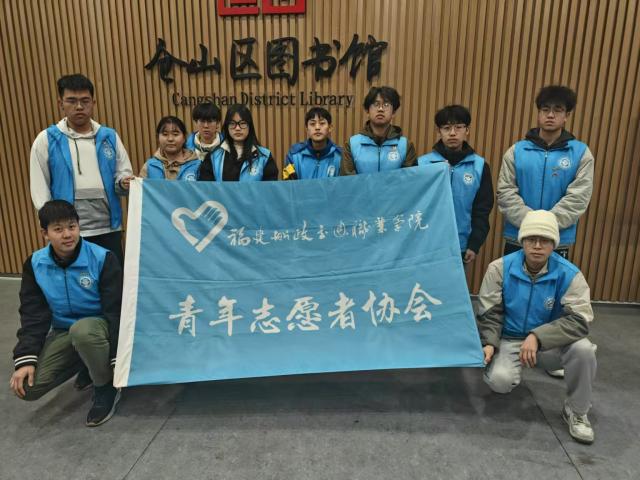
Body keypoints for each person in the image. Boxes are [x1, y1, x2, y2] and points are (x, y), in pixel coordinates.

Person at [476, 210, 597, 444]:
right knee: (499, 381)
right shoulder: (499, 268)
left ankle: (577, 411)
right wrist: (489, 343)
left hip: (549, 344)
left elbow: (580, 320)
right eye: (531, 239)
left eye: (545, 240)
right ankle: (505, 366)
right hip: (510, 340)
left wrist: (538, 336)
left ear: (554, 244)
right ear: (522, 241)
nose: (538, 246)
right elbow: (489, 313)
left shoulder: (570, 274)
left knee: (584, 350)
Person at [10, 200, 123, 427]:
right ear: (45, 233)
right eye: (58, 229)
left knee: (83, 331)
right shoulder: (35, 263)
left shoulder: (102, 258)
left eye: (72, 226)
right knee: (28, 388)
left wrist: (116, 358)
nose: (67, 235)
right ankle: (88, 362)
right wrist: (25, 358)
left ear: (79, 226)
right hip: (64, 331)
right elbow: (33, 314)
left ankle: (105, 387)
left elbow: (116, 311)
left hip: (99, 328)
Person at [29, 74, 133, 264]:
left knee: (112, 277)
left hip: (108, 228)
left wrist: (124, 183)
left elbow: (123, 174)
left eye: (85, 101)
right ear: (60, 103)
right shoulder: (46, 139)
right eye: (71, 101)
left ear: (93, 102)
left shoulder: (109, 136)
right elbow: (39, 188)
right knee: (76, 278)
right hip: (68, 231)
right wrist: (52, 226)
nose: (79, 106)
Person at [497, 85, 594, 259]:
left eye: (558, 110)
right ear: (539, 113)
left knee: (553, 278)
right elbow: (505, 192)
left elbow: (579, 197)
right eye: (545, 109)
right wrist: (531, 223)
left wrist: (546, 225)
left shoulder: (581, 153)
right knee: (512, 277)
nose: (550, 115)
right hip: (518, 237)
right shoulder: (516, 151)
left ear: (567, 115)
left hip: (556, 239)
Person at [417, 105, 494, 266]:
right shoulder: (422, 164)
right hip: (425, 245)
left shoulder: (479, 166)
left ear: (467, 130)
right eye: (446, 128)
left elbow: (482, 210)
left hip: (461, 246)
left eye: (458, 127)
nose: (452, 133)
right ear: (439, 131)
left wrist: (474, 244)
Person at [340, 86, 417, 175]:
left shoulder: (406, 146)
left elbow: (409, 180)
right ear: (367, 111)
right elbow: (347, 181)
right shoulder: (352, 145)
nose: (380, 109)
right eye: (376, 104)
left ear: (393, 112)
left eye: (386, 105)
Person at [198, 104, 278, 181]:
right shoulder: (213, 157)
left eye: (242, 123)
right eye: (232, 124)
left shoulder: (264, 157)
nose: (237, 128)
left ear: (250, 126)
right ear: (227, 127)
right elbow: (206, 188)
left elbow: (270, 188)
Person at [283, 107, 342, 180]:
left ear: (330, 127)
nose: (317, 127)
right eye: (312, 124)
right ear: (307, 129)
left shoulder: (340, 156)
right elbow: (288, 185)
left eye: (322, 123)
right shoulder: (294, 155)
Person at [139, 116, 200, 181]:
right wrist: (132, 183)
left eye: (175, 134)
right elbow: (140, 186)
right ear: (158, 137)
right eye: (165, 134)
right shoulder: (149, 166)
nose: (170, 139)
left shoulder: (197, 165)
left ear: (184, 138)